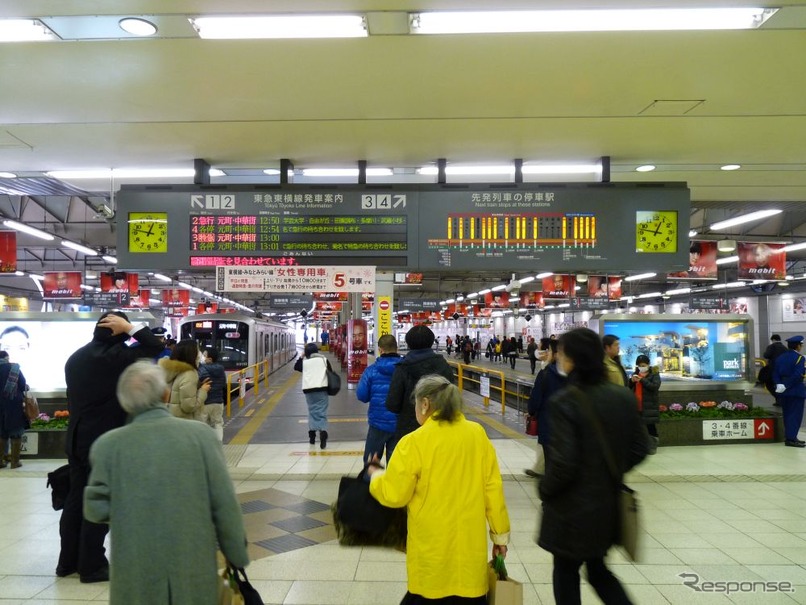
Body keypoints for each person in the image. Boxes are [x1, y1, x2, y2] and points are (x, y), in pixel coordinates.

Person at [84, 361, 249, 605]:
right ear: (165, 393)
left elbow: (95, 509)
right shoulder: (200, 436)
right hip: (192, 567)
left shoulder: (107, 446)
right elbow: (224, 505)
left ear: (125, 401)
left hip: (135, 572)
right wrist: (236, 553)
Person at [368, 375, 510, 604]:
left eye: (416, 404)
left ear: (425, 404)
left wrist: (376, 475)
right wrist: (500, 537)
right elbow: (493, 489)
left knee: (427, 594)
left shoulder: (414, 442)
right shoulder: (477, 435)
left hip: (431, 550)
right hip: (469, 552)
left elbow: (395, 494)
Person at [538, 328, 649, 605]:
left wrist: (544, 489)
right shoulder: (621, 396)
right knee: (598, 570)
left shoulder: (564, 402)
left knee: (565, 573)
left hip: (570, 510)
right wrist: (607, 471)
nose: (558, 358)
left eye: (561, 353)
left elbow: (563, 464)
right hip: (607, 503)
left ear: (572, 359)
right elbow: (640, 447)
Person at [58, 312, 165, 583]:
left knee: (75, 501)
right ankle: (92, 566)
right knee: (99, 500)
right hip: (102, 440)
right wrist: (130, 327)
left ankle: (67, 562)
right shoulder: (115, 359)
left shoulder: (76, 357)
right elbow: (155, 346)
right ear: (118, 333)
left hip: (75, 438)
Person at [386, 325, 454, 450]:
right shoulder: (444, 367)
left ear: (408, 343)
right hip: (441, 430)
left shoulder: (402, 368)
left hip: (409, 432)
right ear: (431, 341)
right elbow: (453, 400)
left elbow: (392, 404)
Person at [356, 335, 402, 464]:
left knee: (371, 463)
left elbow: (362, 396)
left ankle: (370, 483)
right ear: (396, 348)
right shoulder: (406, 369)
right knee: (396, 465)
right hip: (400, 424)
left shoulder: (371, 371)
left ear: (380, 350)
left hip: (377, 424)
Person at [526, 339, 565, 478]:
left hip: (547, 421)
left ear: (555, 354)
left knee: (548, 452)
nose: (544, 353)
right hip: (565, 424)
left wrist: (531, 411)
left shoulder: (546, 373)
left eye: (547, 351)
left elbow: (536, 396)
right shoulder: (572, 374)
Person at [294, 342, 334, 448]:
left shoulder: (305, 363)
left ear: (306, 353)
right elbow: (330, 372)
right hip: (322, 389)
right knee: (322, 412)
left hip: (309, 390)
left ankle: (312, 436)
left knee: (312, 412)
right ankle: (323, 432)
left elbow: (296, 367)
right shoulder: (324, 360)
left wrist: (301, 356)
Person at [159, 340, 211, 420]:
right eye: (197, 351)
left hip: (169, 418)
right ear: (191, 354)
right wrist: (203, 391)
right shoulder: (189, 374)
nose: (199, 354)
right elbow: (189, 407)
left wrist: (198, 386)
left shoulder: (168, 371)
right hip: (185, 422)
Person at [773, 335, 806, 448]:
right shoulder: (800, 358)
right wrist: (786, 385)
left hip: (783, 391)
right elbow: (797, 375)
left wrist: (779, 384)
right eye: (801, 345)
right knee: (795, 415)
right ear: (798, 346)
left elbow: (775, 373)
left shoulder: (780, 358)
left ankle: (790, 437)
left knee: (787, 414)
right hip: (795, 390)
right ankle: (791, 439)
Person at [0, 350, 27, 469]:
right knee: (16, 433)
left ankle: (0, 461)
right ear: (7, 357)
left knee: (1, 433)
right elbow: (22, 384)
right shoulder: (14, 368)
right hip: (14, 405)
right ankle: (14, 462)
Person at [629, 355, 661, 454]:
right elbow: (629, 386)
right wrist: (631, 381)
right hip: (637, 404)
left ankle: (652, 446)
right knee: (638, 427)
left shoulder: (654, 374)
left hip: (649, 404)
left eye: (643, 365)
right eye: (639, 365)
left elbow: (654, 386)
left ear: (648, 364)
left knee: (650, 426)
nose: (641, 367)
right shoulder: (636, 373)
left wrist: (642, 380)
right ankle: (640, 446)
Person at [198, 348, 228, 441]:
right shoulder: (221, 368)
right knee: (218, 424)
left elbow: (200, 380)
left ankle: (206, 446)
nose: (202, 357)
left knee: (203, 425)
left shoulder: (202, 368)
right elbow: (223, 384)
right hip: (218, 401)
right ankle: (218, 445)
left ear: (210, 359)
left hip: (205, 402)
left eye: (204, 355)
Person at [762, 334, 788, 405]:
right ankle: (779, 400)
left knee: (769, 384)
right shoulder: (785, 348)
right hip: (783, 370)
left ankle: (778, 399)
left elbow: (766, 355)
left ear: (773, 340)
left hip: (772, 369)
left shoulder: (771, 347)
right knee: (779, 385)